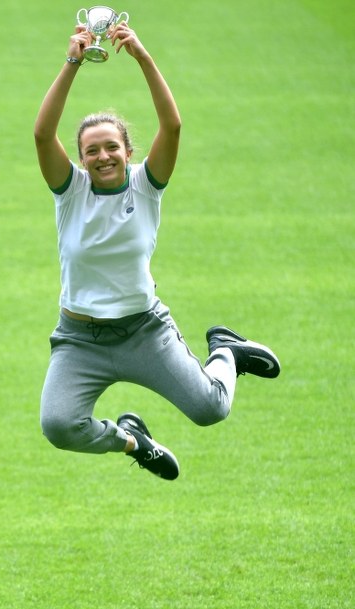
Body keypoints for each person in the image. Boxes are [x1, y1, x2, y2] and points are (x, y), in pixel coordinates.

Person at [33, 22, 280, 480]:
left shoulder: (146, 186)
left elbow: (173, 125)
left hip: (143, 331)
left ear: (128, 152)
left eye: (112, 147)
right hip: (80, 340)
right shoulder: (71, 192)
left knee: (211, 409)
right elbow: (43, 135)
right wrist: (72, 63)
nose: (103, 156)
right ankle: (133, 441)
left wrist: (143, 58)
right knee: (59, 426)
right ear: (81, 159)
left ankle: (227, 351)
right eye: (92, 151)